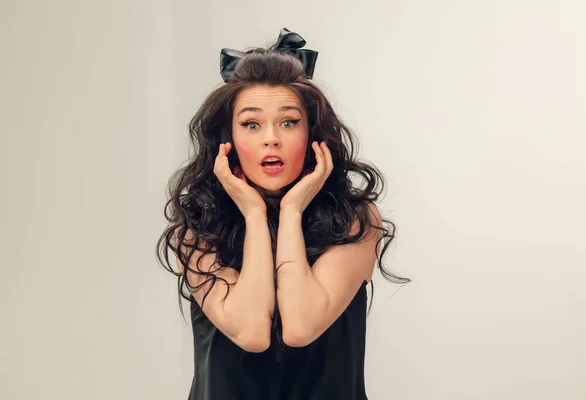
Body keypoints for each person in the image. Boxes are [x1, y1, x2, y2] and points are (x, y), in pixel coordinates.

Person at [156, 27, 409, 400]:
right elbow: (253, 333)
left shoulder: (355, 220)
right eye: (251, 124)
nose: (270, 138)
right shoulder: (197, 231)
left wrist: (291, 211)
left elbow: (301, 326)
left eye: (288, 122)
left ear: (313, 135)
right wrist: (255, 215)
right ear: (228, 140)